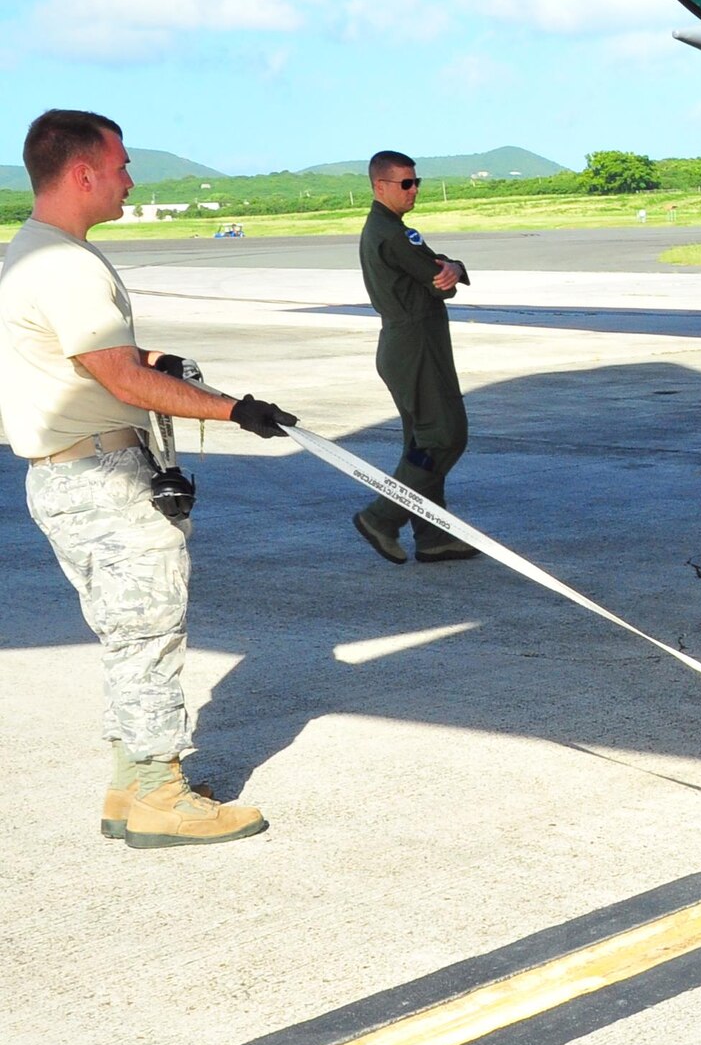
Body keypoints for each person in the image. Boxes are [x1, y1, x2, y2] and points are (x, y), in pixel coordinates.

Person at [0, 110, 296, 848]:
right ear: (83, 173)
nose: (132, 177)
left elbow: (97, 362)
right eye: (124, 164)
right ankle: (162, 794)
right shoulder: (65, 264)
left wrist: (152, 361)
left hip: (66, 473)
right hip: (102, 477)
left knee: (128, 635)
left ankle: (132, 785)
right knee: (148, 634)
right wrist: (236, 410)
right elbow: (119, 379)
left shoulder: (30, 252)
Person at [350, 150, 478, 564]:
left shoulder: (388, 229)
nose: (414, 190)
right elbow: (441, 282)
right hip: (416, 345)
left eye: (416, 181)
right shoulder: (393, 234)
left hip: (405, 344)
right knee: (444, 435)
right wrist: (453, 270)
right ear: (379, 187)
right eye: (405, 184)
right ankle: (382, 517)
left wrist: (454, 266)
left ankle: (434, 535)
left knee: (422, 443)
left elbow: (442, 269)